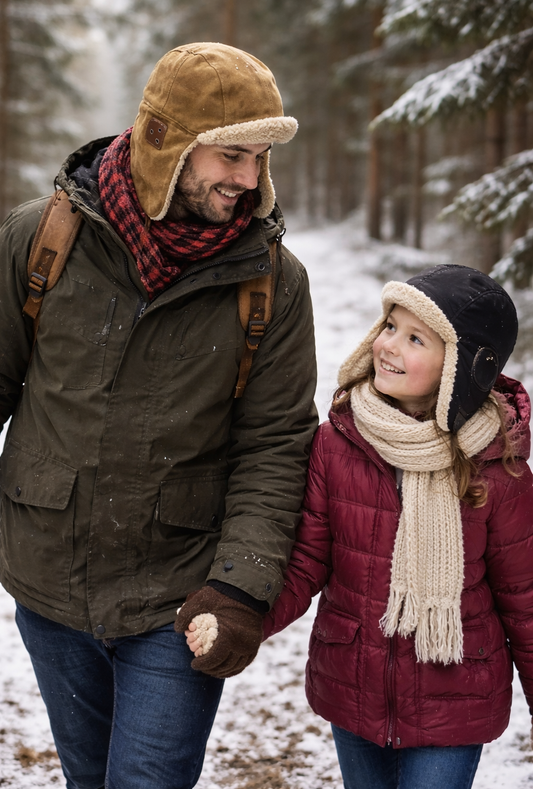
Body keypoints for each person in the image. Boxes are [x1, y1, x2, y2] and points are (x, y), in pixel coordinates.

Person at [0, 43, 317, 789]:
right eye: (231, 156)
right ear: (164, 144)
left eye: (259, 160)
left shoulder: (273, 282)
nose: (248, 180)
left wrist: (240, 587)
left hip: (180, 597)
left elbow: (274, 445)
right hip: (49, 579)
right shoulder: (41, 240)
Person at [257, 265, 533, 789]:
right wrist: (245, 618)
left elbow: (526, 598)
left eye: (415, 339)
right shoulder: (339, 443)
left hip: (454, 699)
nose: (389, 346)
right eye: (389, 327)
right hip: (354, 686)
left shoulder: (497, 469)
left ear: (461, 367)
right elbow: (308, 559)